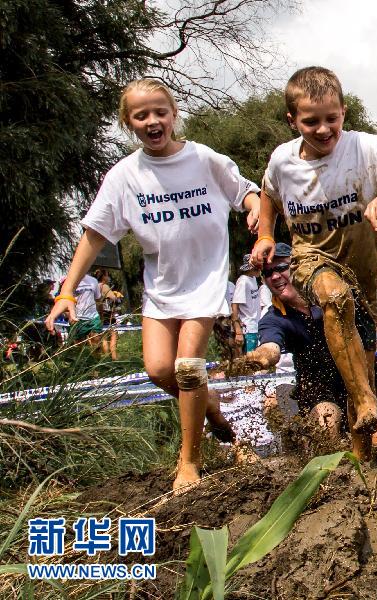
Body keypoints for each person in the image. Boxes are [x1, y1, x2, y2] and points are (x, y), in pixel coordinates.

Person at [45, 78, 261, 492]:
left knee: (187, 367)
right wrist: (67, 291)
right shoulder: (125, 176)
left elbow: (247, 192)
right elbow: (95, 234)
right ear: (129, 123)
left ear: (173, 115)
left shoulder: (203, 159)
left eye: (159, 111)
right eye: (141, 115)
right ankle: (213, 408)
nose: (152, 120)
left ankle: (190, 461)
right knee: (160, 369)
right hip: (162, 287)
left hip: (206, 279)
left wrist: (254, 213)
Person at [252, 66, 377, 457]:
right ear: (292, 120)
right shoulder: (283, 160)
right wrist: (266, 234)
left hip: (363, 272)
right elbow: (268, 194)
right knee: (333, 297)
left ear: (343, 113)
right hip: (310, 258)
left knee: (364, 370)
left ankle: (358, 455)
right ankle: (365, 401)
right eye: (310, 122)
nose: (322, 130)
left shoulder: (362, 148)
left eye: (330, 119)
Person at [232, 243, 377, 456]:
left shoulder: (335, 290)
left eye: (281, 268)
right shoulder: (275, 317)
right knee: (326, 425)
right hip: (319, 388)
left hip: (364, 381)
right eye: (268, 273)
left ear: (297, 267)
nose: (275, 276)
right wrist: (259, 357)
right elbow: (271, 346)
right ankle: (331, 481)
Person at [232, 255, 262, 354]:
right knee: (249, 360)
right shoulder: (243, 282)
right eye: (257, 267)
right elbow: (235, 305)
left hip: (256, 324)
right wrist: (238, 331)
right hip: (248, 327)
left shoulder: (253, 278)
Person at [69, 271, 103, 348]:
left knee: (97, 342)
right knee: (80, 346)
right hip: (78, 318)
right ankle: (84, 359)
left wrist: (101, 314)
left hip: (93, 317)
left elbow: (98, 300)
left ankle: (97, 359)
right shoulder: (71, 281)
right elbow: (68, 300)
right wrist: (71, 315)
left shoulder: (93, 280)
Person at [94, 269, 121, 360]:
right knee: (113, 335)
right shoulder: (104, 286)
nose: (108, 277)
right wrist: (117, 297)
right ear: (104, 277)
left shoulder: (95, 286)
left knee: (104, 337)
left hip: (98, 314)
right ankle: (114, 357)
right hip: (107, 313)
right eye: (107, 275)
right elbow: (113, 298)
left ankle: (106, 358)